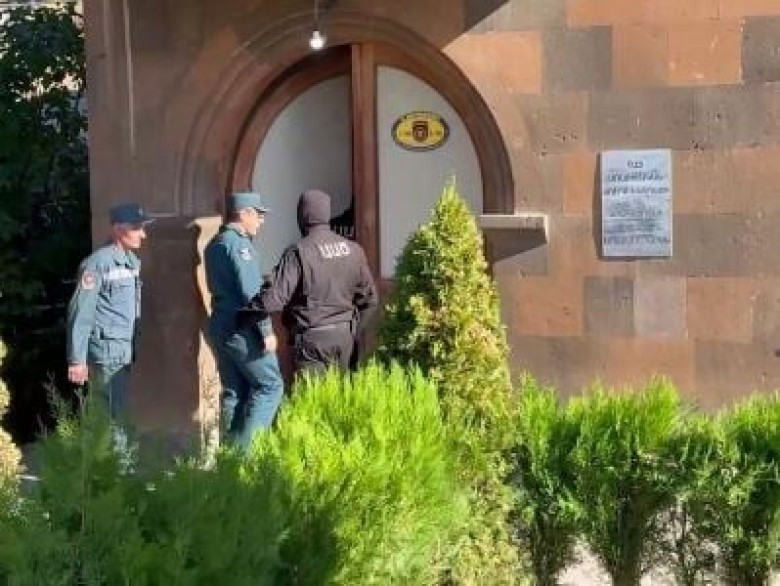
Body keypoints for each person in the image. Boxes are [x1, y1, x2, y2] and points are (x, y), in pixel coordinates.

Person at [248, 189, 378, 375]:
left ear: (302, 216)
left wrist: (245, 312)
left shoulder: (299, 252)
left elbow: (273, 299)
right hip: (345, 337)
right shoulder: (354, 249)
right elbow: (371, 300)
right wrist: (353, 331)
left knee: (313, 393)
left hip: (312, 341)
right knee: (343, 391)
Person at [203, 191, 284, 449]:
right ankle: (247, 456)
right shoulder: (240, 245)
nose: (262, 220)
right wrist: (266, 331)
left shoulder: (215, 243)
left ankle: (229, 456)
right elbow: (251, 294)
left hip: (222, 325)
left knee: (234, 392)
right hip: (242, 329)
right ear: (244, 213)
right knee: (270, 386)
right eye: (258, 214)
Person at [66, 202, 154, 426]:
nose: (143, 235)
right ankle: (115, 450)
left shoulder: (130, 261)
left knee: (118, 412)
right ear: (118, 229)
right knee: (112, 416)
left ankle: (117, 448)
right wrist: (77, 360)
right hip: (106, 353)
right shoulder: (97, 264)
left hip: (123, 350)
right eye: (137, 228)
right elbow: (81, 311)